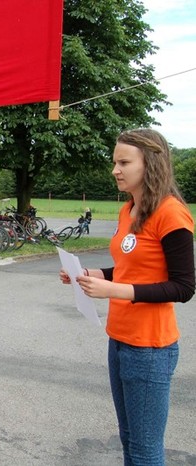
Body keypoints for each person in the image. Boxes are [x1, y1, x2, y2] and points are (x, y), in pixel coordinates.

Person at [61, 128, 195, 465]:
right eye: (115, 162)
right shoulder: (129, 209)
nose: (115, 170)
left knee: (145, 449)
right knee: (129, 439)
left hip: (150, 347)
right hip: (119, 339)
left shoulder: (171, 212)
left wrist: (114, 290)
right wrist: (93, 274)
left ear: (150, 163)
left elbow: (184, 286)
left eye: (124, 163)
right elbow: (129, 268)